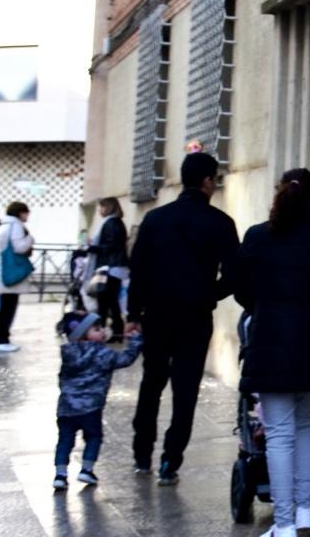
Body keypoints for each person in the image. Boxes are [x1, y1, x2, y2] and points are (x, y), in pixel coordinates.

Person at [234, 167, 310, 537]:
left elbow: (242, 288)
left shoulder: (259, 235)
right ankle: (306, 510)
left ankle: (284, 523)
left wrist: (265, 304)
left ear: (280, 192)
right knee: (306, 426)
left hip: (270, 341)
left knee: (278, 434)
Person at [126, 152, 240, 485]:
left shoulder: (155, 219)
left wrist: (134, 314)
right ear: (207, 181)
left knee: (151, 384)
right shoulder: (220, 223)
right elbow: (235, 275)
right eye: (215, 179)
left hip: (157, 315)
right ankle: (170, 462)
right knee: (185, 390)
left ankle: (141, 456)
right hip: (195, 316)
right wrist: (210, 294)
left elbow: (139, 271)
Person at [52, 311, 143, 490]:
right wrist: (136, 341)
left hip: (66, 409)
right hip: (91, 408)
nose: (103, 331)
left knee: (64, 441)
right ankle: (87, 469)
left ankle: (60, 474)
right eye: (96, 329)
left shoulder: (68, 353)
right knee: (93, 437)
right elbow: (124, 359)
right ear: (83, 334)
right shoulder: (101, 353)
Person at [0, 202, 34, 353]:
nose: (28, 216)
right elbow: (19, 247)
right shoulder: (16, 226)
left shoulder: (3, 225)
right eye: (26, 213)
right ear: (21, 212)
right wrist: (30, 239)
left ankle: (1, 338)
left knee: (4, 306)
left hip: (2, 269)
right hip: (11, 271)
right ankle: (1, 339)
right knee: (8, 307)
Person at [90, 197, 129, 341]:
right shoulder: (115, 222)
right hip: (114, 267)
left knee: (105, 301)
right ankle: (116, 332)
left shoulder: (112, 223)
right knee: (111, 301)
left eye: (102, 207)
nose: (100, 210)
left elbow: (111, 245)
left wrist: (92, 247)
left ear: (109, 207)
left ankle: (104, 332)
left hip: (110, 268)